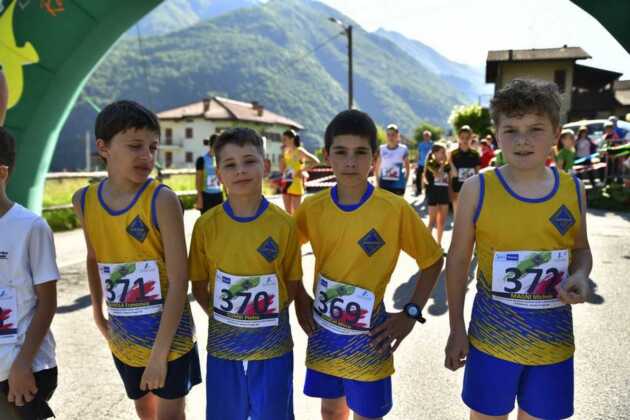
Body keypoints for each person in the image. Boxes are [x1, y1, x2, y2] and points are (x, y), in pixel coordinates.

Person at [445, 79, 592, 420]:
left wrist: (581, 275)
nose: (522, 140)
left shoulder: (573, 189)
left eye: (535, 129)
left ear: (556, 133)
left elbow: (581, 250)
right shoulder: (477, 189)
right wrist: (456, 328)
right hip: (491, 340)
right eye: (511, 130)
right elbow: (457, 262)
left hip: (553, 343)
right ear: (496, 134)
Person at [294, 110, 443, 420]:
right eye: (341, 152)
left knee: (368, 413)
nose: (350, 161)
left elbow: (433, 260)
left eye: (360, 152)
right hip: (324, 330)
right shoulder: (312, 208)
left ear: (375, 158)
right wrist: (299, 295)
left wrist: (411, 312)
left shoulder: (394, 210)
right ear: (327, 156)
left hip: (370, 335)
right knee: (331, 410)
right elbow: (286, 252)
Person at [72, 100, 201, 420]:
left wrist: (159, 354)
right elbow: (93, 258)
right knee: (144, 410)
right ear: (103, 147)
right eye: (135, 146)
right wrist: (98, 315)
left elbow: (179, 281)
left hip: (170, 340)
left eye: (152, 147)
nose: (147, 156)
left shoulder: (162, 199)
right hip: (125, 338)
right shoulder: (84, 200)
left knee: (170, 415)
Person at [189, 128, 302, 420]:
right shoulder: (206, 226)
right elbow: (199, 284)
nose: (240, 170)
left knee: (273, 414)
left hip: (273, 345)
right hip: (224, 346)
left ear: (265, 166)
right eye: (230, 164)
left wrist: (258, 317)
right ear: (219, 174)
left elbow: (291, 282)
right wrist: (228, 318)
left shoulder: (284, 224)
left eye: (249, 161)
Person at [0, 128, 59, 420]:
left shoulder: (31, 227)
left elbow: (47, 303)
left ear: (1, 173)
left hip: (26, 368)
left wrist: (23, 364)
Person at [279, 129, 320, 214]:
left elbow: (316, 161)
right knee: (287, 213)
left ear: (292, 139)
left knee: (297, 213)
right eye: (282, 139)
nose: (283, 142)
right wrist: (282, 155)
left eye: (285, 139)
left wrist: (302, 170)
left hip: (296, 183)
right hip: (286, 182)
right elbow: (282, 169)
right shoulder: (285, 152)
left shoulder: (299, 151)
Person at [449, 125, 480, 215]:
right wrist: (450, 189)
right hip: (457, 186)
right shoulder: (453, 154)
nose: (465, 140)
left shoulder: (475, 154)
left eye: (467, 138)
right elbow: (451, 173)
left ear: (471, 138)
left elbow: (477, 172)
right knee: (457, 212)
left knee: (470, 212)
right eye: (462, 138)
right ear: (458, 138)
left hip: (471, 186)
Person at [424, 142, 451, 246]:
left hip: (444, 195)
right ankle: (427, 244)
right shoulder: (431, 163)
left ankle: (439, 244)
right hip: (433, 195)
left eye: (445, 152)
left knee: (441, 221)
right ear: (435, 153)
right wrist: (443, 164)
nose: (444, 154)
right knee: (432, 221)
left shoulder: (447, 165)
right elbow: (438, 175)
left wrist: (449, 162)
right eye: (442, 152)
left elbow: (451, 177)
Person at [374, 123, 410, 196]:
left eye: (393, 134)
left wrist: (405, 181)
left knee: (398, 203)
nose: (391, 137)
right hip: (384, 184)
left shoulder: (403, 149)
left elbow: (407, 167)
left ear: (397, 135)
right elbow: (377, 167)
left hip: (398, 185)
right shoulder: (381, 149)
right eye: (388, 134)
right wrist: (377, 182)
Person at [195, 134, 223, 214]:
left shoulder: (221, 159)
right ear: (212, 145)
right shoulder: (201, 160)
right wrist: (199, 197)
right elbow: (198, 180)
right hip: (206, 196)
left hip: (219, 195)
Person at [415, 130, 433, 196]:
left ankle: (427, 192)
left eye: (427, 135)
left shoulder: (432, 144)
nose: (426, 137)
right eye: (425, 136)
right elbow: (418, 153)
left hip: (429, 164)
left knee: (428, 178)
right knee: (418, 177)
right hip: (421, 163)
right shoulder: (420, 144)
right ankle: (418, 190)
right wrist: (416, 163)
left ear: (430, 136)